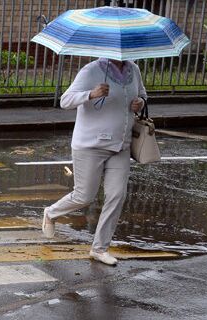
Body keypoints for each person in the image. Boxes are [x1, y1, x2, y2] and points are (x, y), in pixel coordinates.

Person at [41, 58, 147, 266]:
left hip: (121, 146)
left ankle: (100, 248)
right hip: (90, 145)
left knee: (117, 195)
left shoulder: (133, 69)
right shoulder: (90, 71)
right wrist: (91, 94)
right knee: (84, 196)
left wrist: (140, 102)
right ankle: (51, 212)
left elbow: (143, 94)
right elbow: (65, 100)